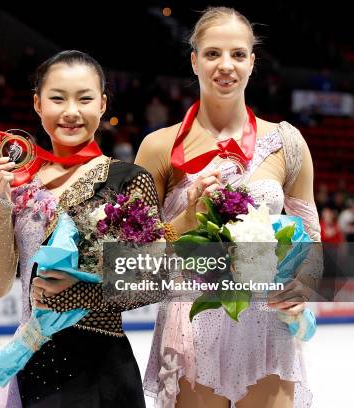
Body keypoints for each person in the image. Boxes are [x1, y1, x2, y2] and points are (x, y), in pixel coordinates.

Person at [135, 7, 322, 408]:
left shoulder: (287, 142)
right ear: (194, 60)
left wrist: (301, 289)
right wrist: (185, 221)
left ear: (253, 63)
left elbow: (311, 238)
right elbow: (130, 254)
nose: (226, 65)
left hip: (268, 326)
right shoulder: (159, 146)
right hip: (192, 326)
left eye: (238, 54)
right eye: (213, 53)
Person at [0, 50, 171, 407]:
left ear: (102, 104)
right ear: (37, 104)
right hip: (32, 361)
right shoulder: (18, 182)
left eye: (84, 98)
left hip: (102, 366)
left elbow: (155, 278)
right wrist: (1, 205)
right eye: (57, 98)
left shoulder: (128, 179)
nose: (71, 111)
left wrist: (81, 288)